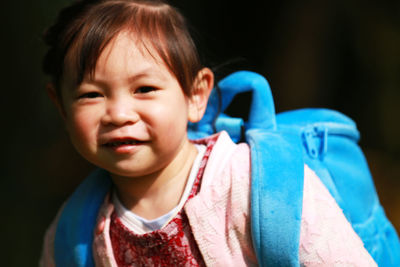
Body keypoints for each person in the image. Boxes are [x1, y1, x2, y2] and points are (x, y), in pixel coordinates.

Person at [40, 0, 377, 266]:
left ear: (195, 96)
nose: (119, 114)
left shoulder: (248, 186)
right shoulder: (77, 229)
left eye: (144, 89)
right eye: (91, 95)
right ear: (61, 107)